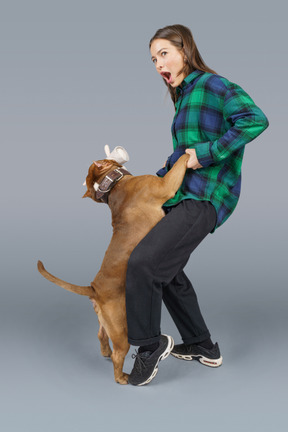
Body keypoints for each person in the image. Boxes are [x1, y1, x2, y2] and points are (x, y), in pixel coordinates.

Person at [126, 24, 269, 386]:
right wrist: (137, 184)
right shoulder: (184, 98)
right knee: (168, 271)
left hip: (205, 197)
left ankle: (147, 346)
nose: (158, 63)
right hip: (180, 195)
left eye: (164, 54)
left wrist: (205, 155)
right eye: (153, 59)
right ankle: (203, 346)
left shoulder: (211, 85)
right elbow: (180, 158)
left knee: (143, 262)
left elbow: (255, 119)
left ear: (185, 51)